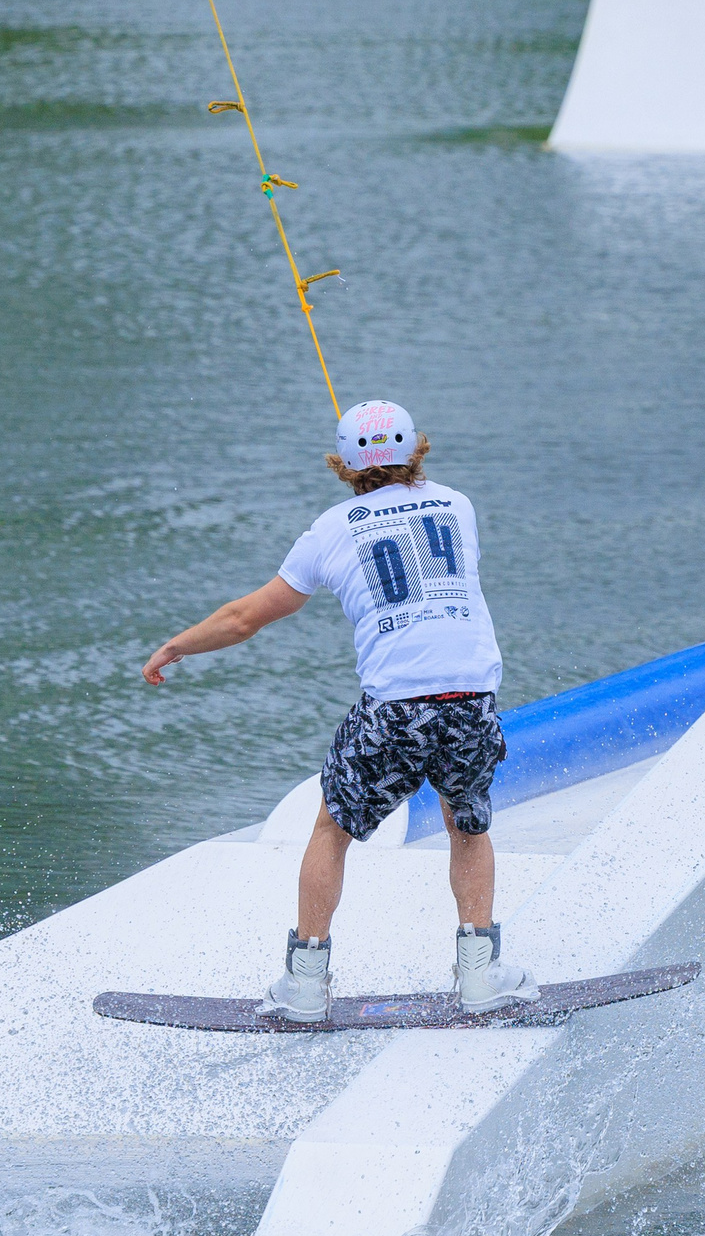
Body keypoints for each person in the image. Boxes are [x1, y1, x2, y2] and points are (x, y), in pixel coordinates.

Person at [141, 399, 541, 1023]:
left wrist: (176, 645)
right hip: (471, 698)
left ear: (340, 463)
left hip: (394, 708)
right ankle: (481, 975)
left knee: (332, 828)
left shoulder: (330, 530)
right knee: (468, 825)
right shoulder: (458, 506)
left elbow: (247, 617)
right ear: (418, 450)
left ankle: (304, 985)